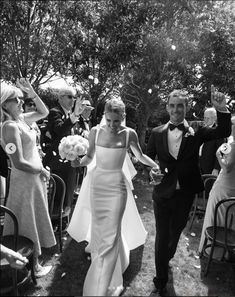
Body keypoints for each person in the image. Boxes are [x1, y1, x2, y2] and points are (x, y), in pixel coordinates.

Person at [67, 97, 159, 296]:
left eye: (116, 121)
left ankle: (101, 286)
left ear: (123, 117)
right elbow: (90, 156)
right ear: (104, 117)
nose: (111, 125)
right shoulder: (95, 132)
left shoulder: (129, 134)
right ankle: (109, 271)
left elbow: (140, 156)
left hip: (117, 189)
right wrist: (78, 162)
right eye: (108, 120)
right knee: (101, 234)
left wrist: (155, 165)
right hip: (98, 186)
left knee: (111, 235)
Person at [146, 86, 231, 296]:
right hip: (162, 193)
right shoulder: (156, 133)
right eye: (172, 106)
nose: (175, 110)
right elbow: (147, 160)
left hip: (185, 194)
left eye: (180, 106)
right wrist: (151, 172)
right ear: (167, 107)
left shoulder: (197, 130)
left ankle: (166, 258)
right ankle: (160, 280)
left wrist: (222, 109)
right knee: (162, 234)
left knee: (176, 232)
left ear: (186, 107)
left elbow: (223, 132)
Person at [0, 78, 56, 277]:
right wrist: (41, 170)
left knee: (33, 218)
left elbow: (44, 112)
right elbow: (19, 162)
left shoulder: (21, 120)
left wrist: (32, 91)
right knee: (26, 221)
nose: (22, 102)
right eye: (17, 99)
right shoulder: (9, 127)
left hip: (32, 180)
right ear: (5, 103)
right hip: (24, 181)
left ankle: (33, 261)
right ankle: (33, 265)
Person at [43, 86, 85, 216]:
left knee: (69, 193)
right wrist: (74, 115)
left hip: (71, 161)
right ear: (60, 98)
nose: (73, 100)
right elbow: (60, 130)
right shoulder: (55, 112)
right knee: (58, 194)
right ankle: (55, 222)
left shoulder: (73, 116)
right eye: (70, 96)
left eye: (74, 97)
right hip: (58, 163)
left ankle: (64, 220)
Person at [198, 115, 235, 257]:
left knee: (215, 213)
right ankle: (225, 252)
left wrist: (218, 155)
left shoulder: (231, 143)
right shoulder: (230, 141)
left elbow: (227, 168)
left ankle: (211, 251)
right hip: (231, 184)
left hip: (224, 184)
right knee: (228, 215)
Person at [199, 107, 225, 176]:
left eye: (208, 118)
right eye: (204, 118)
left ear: (214, 118)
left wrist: (216, 168)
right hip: (198, 166)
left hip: (210, 169)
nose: (205, 120)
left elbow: (221, 151)